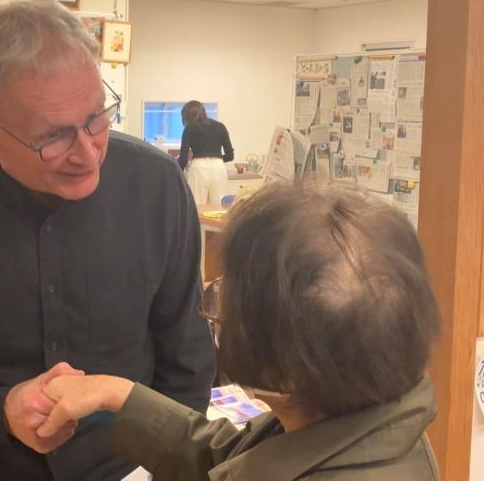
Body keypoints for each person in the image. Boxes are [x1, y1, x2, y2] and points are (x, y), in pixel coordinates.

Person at [0, 0, 216, 480]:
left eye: (97, 117)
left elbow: (187, 358)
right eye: (53, 136)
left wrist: (171, 466)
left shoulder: (156, 185)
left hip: (127, 468)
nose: (88, 154)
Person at [37, 182, 442, 481]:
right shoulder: (361, 421)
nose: (212, 310)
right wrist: (118, 395)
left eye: (222, 302)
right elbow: (235, 457)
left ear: (285, 373)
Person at [178, 101, 234, 205]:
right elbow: (230, 156)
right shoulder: (220, 126)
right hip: (218, 167)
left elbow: (183, 159)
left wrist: (176, 173)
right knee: (220, 208)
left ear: (186, 116)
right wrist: (216, 158)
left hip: (198, 168)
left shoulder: (189, 129)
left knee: (197, 207)